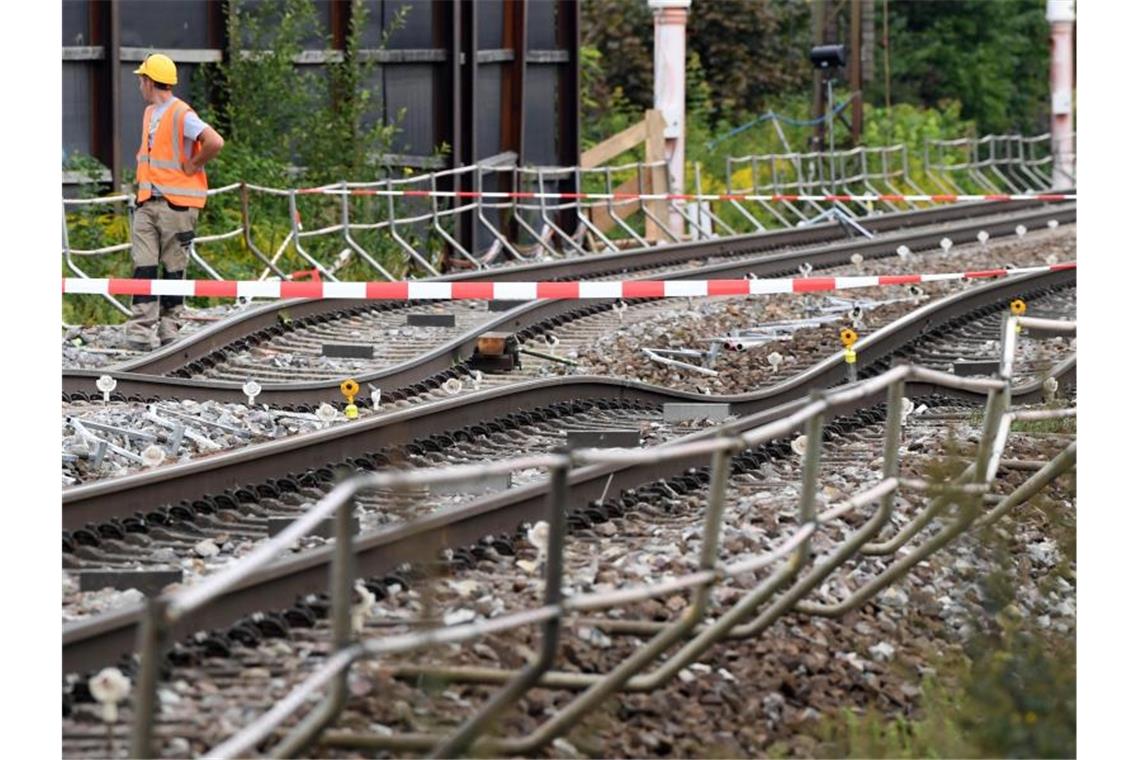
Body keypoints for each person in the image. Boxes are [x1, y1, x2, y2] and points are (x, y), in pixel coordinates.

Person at [125, 53, 224, 350]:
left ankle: (169, 327)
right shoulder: (149, 113)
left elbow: (215, 141)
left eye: (141, 79)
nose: (139, 85)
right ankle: (140, 329)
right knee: (143, 265)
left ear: (149, 81)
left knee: (172, 268)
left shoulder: (182, 113)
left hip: (176, 205)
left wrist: (193, 166)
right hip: (147, 202)